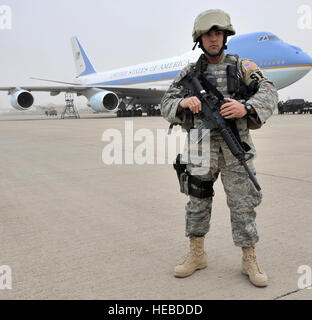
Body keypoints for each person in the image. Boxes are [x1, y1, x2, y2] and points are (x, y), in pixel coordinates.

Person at [161, 9, 278, 287]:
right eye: (207, 35)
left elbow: (269, 90)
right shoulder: (190, 73)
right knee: (197, 204)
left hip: (236, 148)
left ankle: (249, 258)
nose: (213, 39)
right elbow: (166, 103)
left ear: (225, 36)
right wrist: (181, 104)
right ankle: (197, 254)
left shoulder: (242, 66)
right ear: (199, 40)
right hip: (200, 150)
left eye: (218, 33)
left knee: (243, 206)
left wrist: (245, 106)